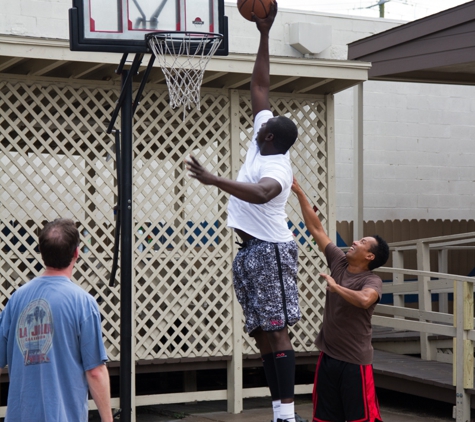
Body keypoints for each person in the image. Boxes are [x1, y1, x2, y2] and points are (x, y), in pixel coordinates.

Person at [185, 2, 305, 421]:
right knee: (260, 334)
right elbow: (260, 86)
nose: (259, 123)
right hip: (250, 251)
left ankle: (287, 415)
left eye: (263, 126)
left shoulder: (278, 167)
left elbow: (260, 192)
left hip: (272, 250)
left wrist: (215, 180)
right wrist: (264, 34)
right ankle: (277, 410)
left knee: (276, 329)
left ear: (269, 136)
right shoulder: (265, 137)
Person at [291, 178, 389, 422]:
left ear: (369, 256)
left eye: (362, 242)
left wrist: (337, 288)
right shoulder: (339, 261)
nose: (355, 241)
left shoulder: (372, 281)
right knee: (324, 418)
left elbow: (365, 300)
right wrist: (299, 192)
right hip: (328, 357)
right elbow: (317, 230)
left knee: (361, 419)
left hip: (355, 363)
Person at [0, 218, 113, 422]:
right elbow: (95, 372)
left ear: (42, 254)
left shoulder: (16, 300)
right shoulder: (83, 303)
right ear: (76, 253)